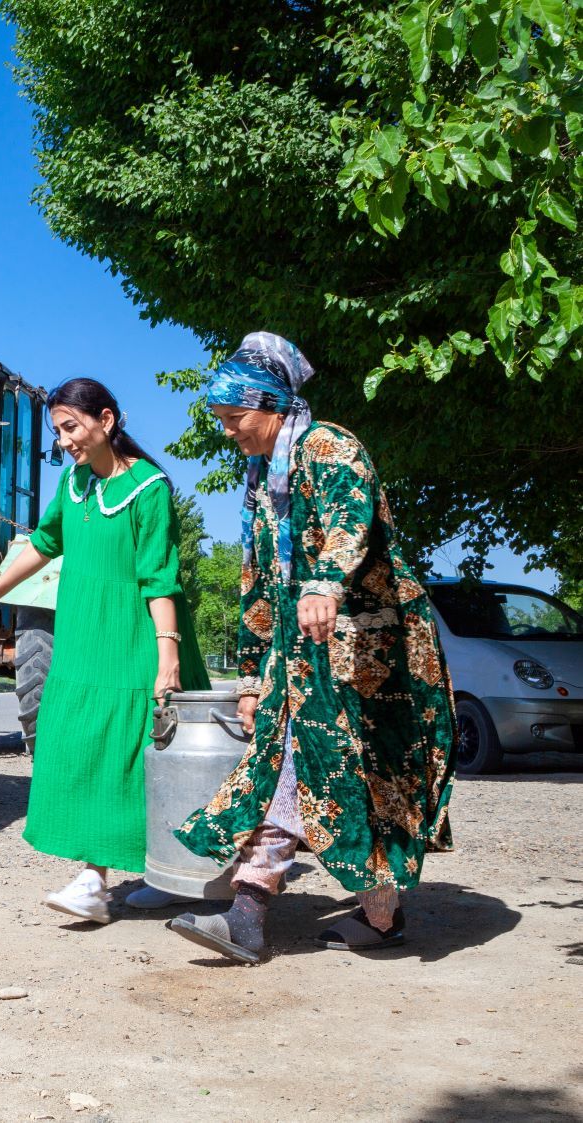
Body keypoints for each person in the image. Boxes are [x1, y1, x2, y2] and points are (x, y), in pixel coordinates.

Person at [167, 332, 455, 964]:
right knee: (314, 769)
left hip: (373, 650)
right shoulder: (262, 480)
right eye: (221, 421)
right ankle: (372, 919)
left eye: (235, 418)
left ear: (270, 405)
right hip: (307, 654)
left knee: (359, 774)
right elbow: (259, 583)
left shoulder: (328, 446)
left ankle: (251, 911)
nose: (229, 431)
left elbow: (352, 519)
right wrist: (248, 678)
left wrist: (325, 580)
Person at [0, 378, 210, 924]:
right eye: (58, 431)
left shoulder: (149, 488)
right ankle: (152, 871)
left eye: (71, 427)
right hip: (81, 638)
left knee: (131, 755)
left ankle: (102, 880)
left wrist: (167, 656)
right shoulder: (75, 484)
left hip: (133, 640)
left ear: (106, 420)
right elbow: (43, 543)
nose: (65, 440)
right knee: (74, 742)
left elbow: (159, 578)